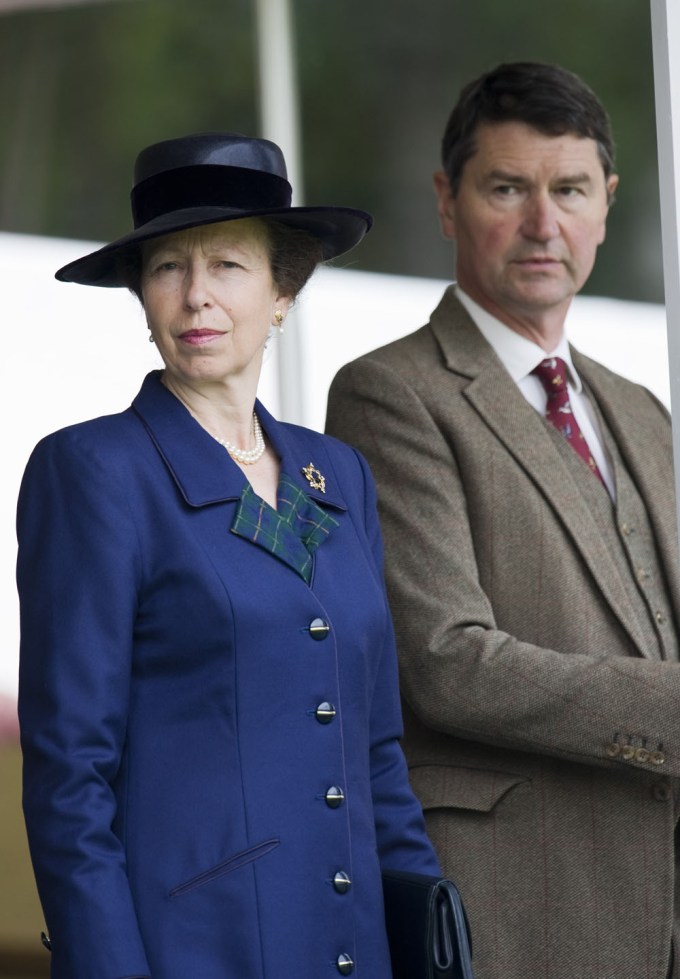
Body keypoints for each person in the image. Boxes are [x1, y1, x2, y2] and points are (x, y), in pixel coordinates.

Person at [16, 131, 441, 979]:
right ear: (142, 295)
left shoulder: (340, 476)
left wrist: (427, 926)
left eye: (228, 266)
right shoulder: (96, 471)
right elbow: (71, 776)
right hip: (194, 953)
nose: (195, 296)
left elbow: (377, 750)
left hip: (356, 950)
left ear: (283, 291)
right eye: (169, 267)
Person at [326, 61, 680, 979]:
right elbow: (446, 660)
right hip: (524, 901)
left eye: (568, 190)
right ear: (447, 201)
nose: (542, 223)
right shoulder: (387, 393)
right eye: (507, 188)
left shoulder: (642, 409)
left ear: (606, 201)